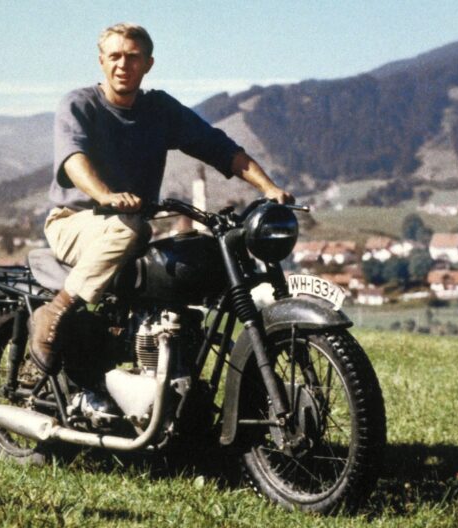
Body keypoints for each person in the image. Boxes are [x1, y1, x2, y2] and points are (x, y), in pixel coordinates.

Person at [30, 22, 293, 383]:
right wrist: (106, 195)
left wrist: (268, 187)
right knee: (132, 229)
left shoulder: (160, 110)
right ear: (102, 61)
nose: (124, 65)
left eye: (133, 57)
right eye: (116, 56)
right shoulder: (79, 104)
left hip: (126, 225)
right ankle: (56, 312)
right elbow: (74, 159)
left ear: (148, 64)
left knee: (195, 256)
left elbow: (219, 147)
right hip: (75, 220)